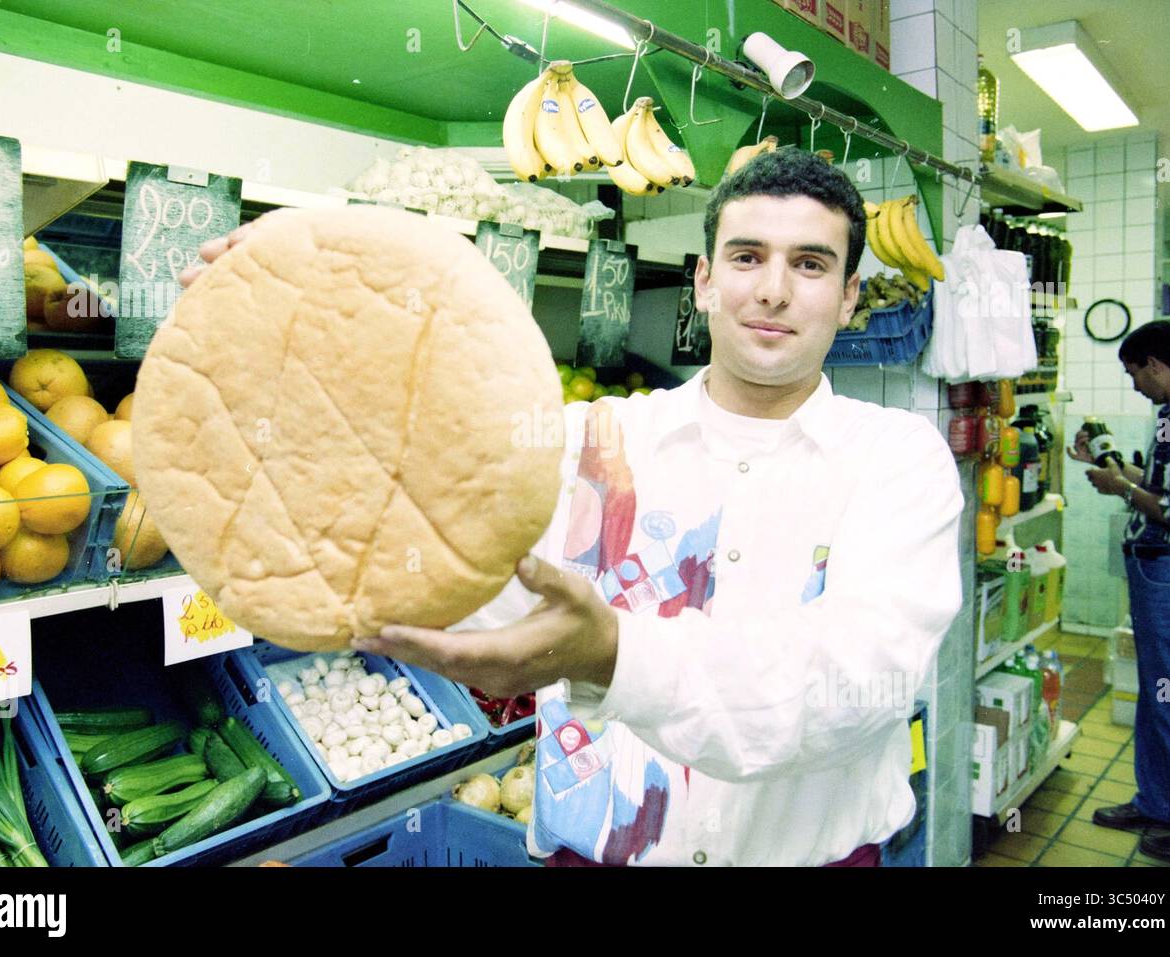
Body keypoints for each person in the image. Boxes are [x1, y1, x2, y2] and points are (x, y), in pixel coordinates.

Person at [185, 148, 963, 866]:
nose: (772, 288)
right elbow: (470, 572)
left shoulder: (897, 460)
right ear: (703, 280)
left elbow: (857, 682)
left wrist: (612, 654)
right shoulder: (585, 440)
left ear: (850, 294)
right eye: (747, 256)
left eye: (812, 264)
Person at [1069, 320, 1170, 866]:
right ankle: (1159, 804)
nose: (1134, 385)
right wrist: (1108, 466)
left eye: (1134, 373)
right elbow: (1162, 486)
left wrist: (1120, 489)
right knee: (1159, 699)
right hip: (1159, 574)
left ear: (1156, 365)